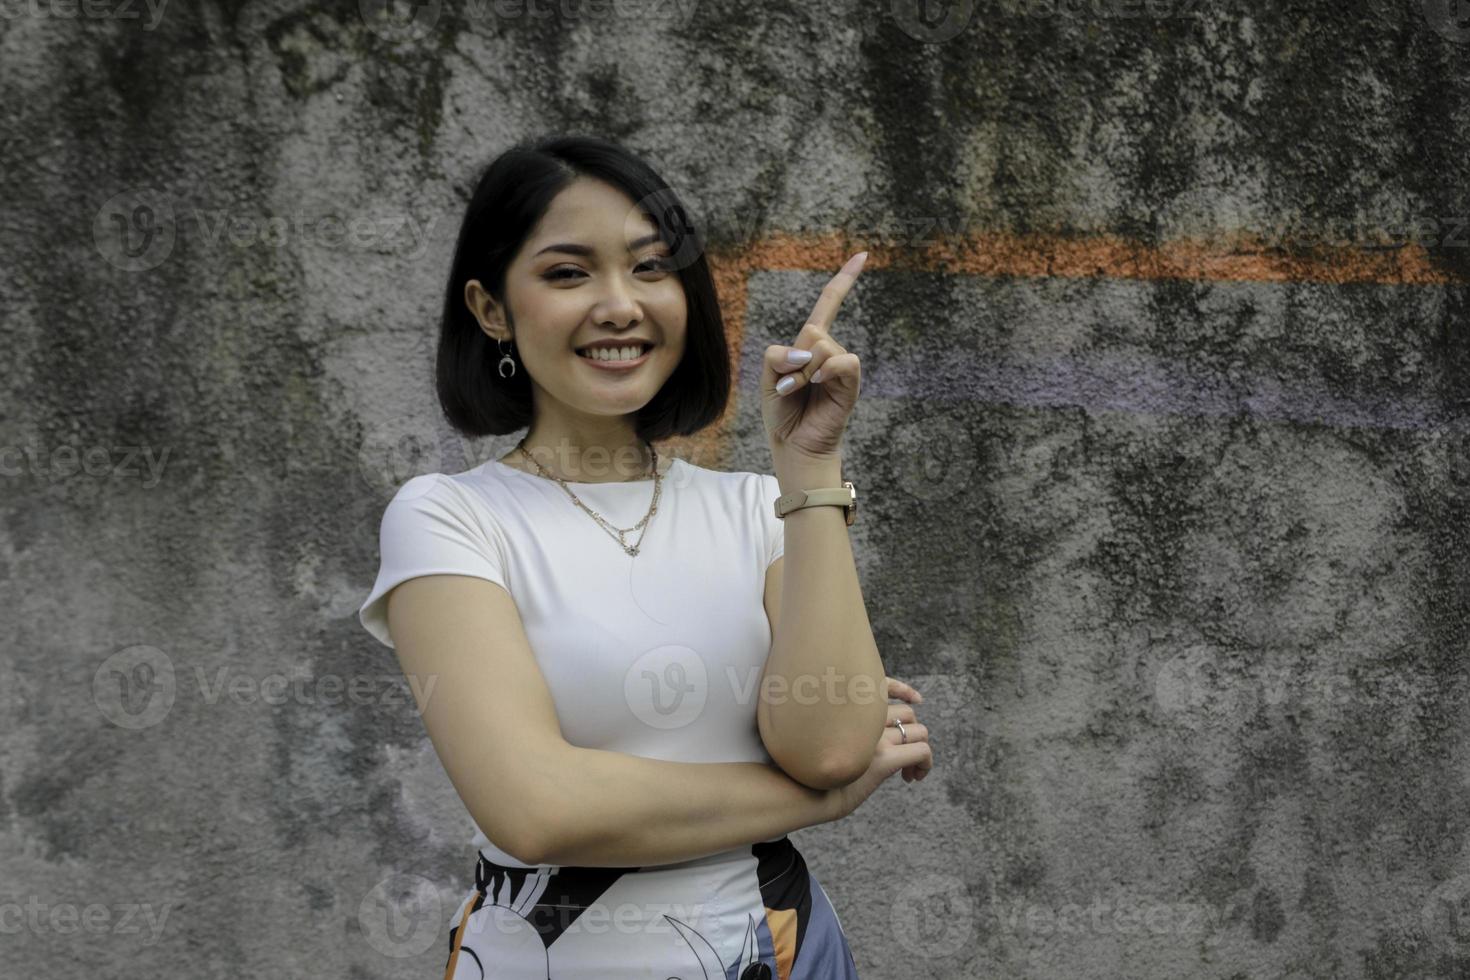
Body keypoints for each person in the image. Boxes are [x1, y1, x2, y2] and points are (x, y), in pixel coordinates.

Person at [357, 134, 933, 978]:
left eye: (651, 268)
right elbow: (534, 808)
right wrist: (818, 804)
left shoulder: (753, 507)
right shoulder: (450, 518)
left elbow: (831, 745)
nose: (620, 305)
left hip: (774, 949)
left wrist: (809, 466)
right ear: (491, 310)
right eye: (567, 273)